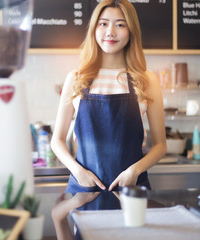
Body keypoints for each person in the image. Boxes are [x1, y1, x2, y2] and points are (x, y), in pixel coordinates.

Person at [51, 0, 166, 193]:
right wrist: (79, 172)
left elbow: (161, 146)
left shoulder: (147, 81)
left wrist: (134, 171)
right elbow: (57, 141)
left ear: (131, 31)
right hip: (84, 189)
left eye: (120, 24)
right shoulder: (77, 78)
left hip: (131, 190)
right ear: (94, 29)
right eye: (103, 24)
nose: (110, 32)